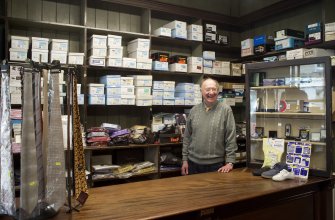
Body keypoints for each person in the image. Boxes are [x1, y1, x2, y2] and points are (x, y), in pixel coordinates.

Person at [181, 77, 238, 175]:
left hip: (216, 165)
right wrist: (184, 160)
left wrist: (230, 162)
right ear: (201, 91)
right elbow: (187, 137)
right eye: (207, 89)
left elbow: (231, 138)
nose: (211, 92)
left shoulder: (226, 110)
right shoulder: (194, 110)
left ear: (218, 91)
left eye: (214, 89)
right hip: (192, 164)